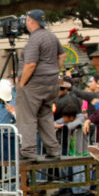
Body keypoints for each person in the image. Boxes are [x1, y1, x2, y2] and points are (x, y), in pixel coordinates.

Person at [16, 9, 62, 162]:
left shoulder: (35, 39)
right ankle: (53, 149)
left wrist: (22, 83)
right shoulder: (51, 36)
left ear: (30, 21)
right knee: (45, 114)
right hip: (51, 81)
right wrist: (55, 70)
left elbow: (30, 64)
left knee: (27, 116)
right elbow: (62, 56)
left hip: (34, 83)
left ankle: (28, 150)